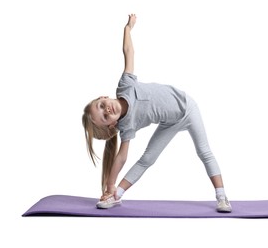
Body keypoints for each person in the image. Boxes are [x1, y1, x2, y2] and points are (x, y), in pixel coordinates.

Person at [82, 14, 232, 213]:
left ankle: (222, 197)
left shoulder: (125, 86)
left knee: (204, 151)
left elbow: (128, 52)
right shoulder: (127, 126)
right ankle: (116, 196)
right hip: (169, 123)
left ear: (103, 97)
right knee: (147, 159)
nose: (106, 110)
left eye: (102, 105)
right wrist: (110, 186)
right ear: (111, 125)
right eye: (105, 117)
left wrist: (128, 29)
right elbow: (121, 157)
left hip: (188, 107)